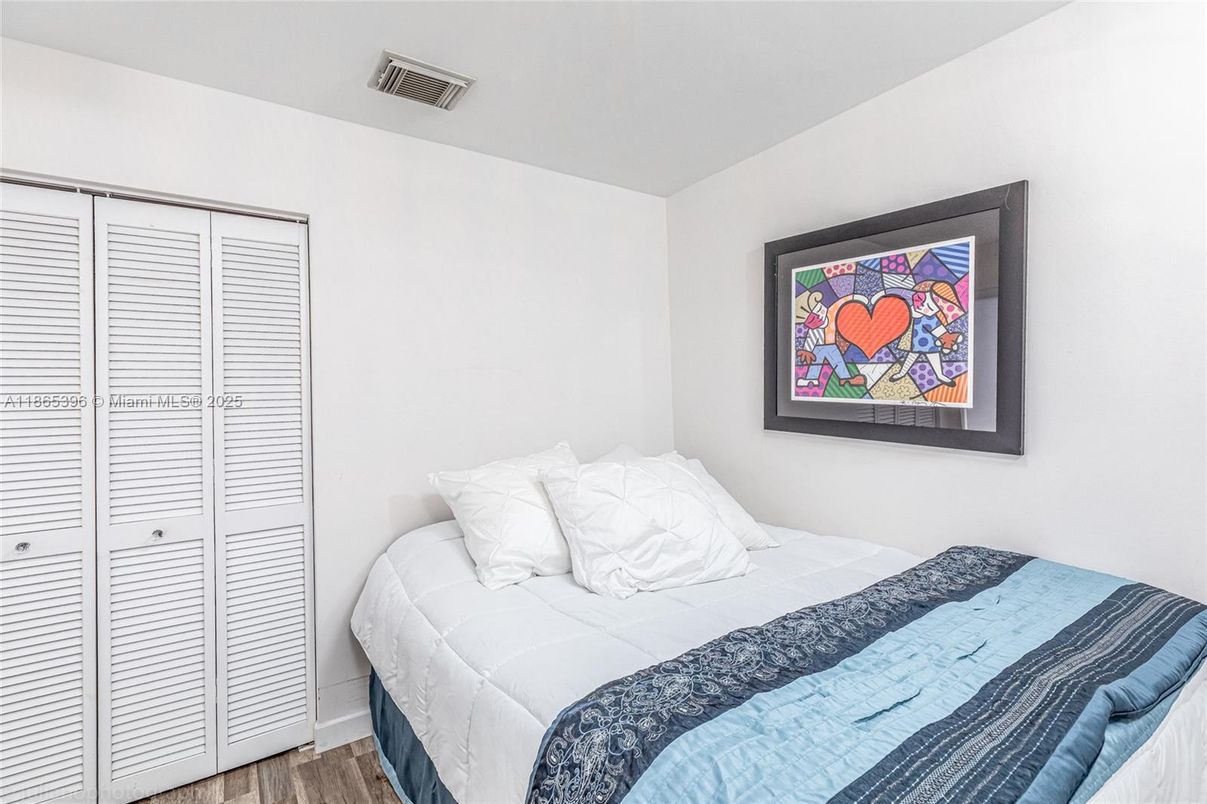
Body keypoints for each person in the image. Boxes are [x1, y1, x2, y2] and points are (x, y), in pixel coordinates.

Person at [889, 280, 964, 385]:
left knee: (934, 356)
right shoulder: (909, 309)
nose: (929, 311)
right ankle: (902, 373)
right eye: (928, 306)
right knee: (911, 356)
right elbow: (895, 294)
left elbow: (937, 329)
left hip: (930, 342)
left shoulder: (930, 318)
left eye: (933, 309)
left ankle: (940, 375)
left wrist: (947, 337)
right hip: (914, 341)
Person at [795, 291, 865, 390]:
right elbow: (811, 338)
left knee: (838, 361)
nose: (821, 314)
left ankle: (844, 378)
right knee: (818, 362)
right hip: (820, 347)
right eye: (815, 315)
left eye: (820, 309)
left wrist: (855, 297)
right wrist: (807, 350)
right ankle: (811, 378)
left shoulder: (831, 314)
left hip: (830, 346)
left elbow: (840, 303)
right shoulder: (815, 328)